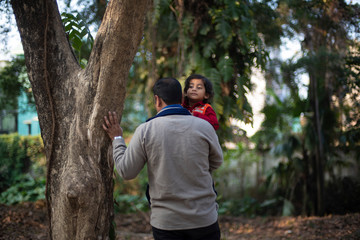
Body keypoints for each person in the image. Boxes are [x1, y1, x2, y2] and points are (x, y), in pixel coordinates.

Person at [103, 77, 223, 240]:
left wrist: (117, 138)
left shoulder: (146, 130)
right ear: (182, 99)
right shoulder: (204, 126)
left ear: (157, 100)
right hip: (204, 219)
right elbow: (216, 162)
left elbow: (126, 171)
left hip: (167, 224)